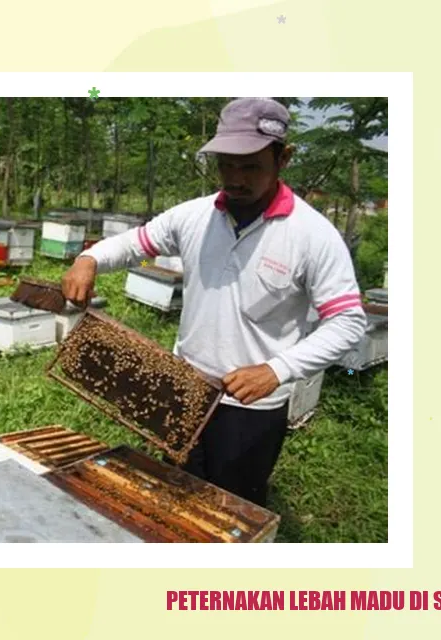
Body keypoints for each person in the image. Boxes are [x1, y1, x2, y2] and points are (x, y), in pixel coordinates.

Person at [60, 97, 368, 506]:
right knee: (173, 493)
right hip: (182, 386)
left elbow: (348, 321)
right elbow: (136, 243)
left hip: (251, 406)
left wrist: (277, 370)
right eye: (226, 165)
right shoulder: (194, 216)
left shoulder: (312, 234)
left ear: (284, 158)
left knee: (230, 508)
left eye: (250, 166)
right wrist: (89, 258)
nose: (235, 178)